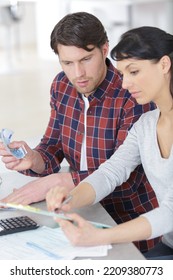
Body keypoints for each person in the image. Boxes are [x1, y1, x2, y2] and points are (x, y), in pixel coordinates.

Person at [0, 12, 158, 253]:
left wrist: (61, 181)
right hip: (78, 210)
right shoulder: (62, 85)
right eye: (67, 63)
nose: (78, 74)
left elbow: (129, 181)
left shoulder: (132, 95)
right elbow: (52, 146)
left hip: (128, 225)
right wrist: (34, 159)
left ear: (105, 49)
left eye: (86, 59)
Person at [46, 26, 173, 259]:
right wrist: (70, 200)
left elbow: (170, 212)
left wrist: (100, 236)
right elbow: (111, 172)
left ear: (164, 65)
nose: (124, 84)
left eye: (134, 72)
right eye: (123, 74)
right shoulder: (146, 124)